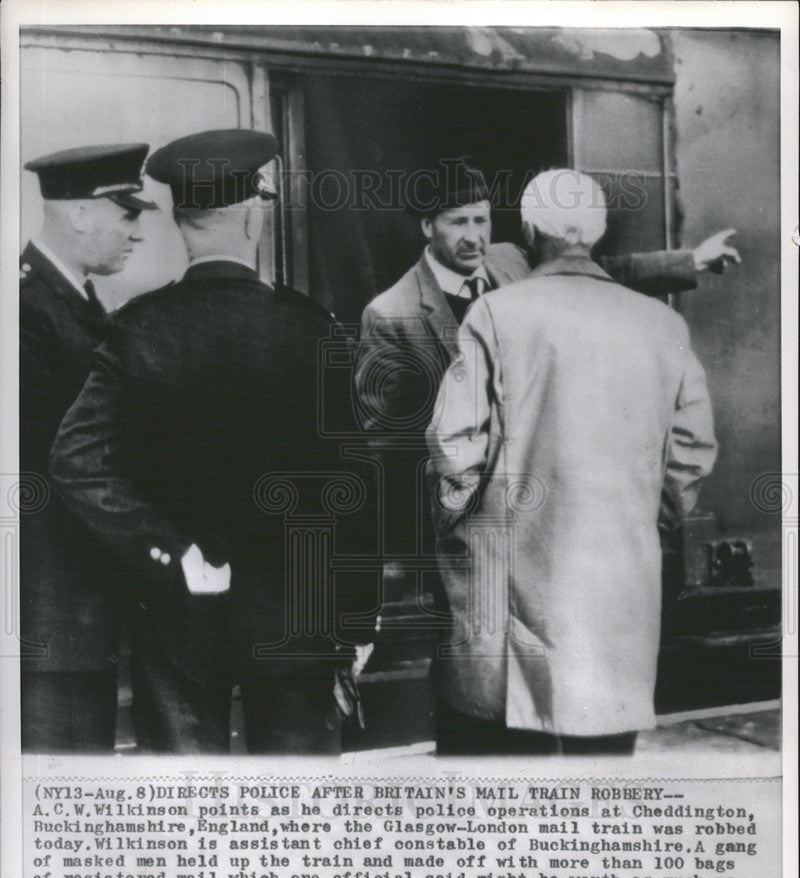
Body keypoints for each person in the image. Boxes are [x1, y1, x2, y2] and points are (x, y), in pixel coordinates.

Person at [50, 129, 377, 755]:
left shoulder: (138, 330)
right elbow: (353, 483)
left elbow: (75, 465)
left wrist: (167, 551)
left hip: (176, 625)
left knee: (188, 815)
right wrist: (359, 616)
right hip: (295, 626)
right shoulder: (312, 330)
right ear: (254, 215)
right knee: (297, 823)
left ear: (176, 219)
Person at [425, 168, 718, 755]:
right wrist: (645, 524)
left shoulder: (494, 316)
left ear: (529, 231)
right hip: (618, 597)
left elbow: (454, 448)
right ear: (601, 229)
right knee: (602, 781)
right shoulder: (664, 325)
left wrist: (462, 535)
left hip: (509, 601)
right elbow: (690, 455)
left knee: (505, 795)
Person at [355, 156, 737, 560]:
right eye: (458, 222)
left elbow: (596, 270)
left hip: (546, 525)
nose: (474, 238)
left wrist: (690, 260)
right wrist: (448, 527)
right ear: (427, 226)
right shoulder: (390, 315)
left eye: (481, 221)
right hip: (463, 537)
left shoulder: (512, 260)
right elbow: (388, 448)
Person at [20, 143, 157, 752]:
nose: (137, 234)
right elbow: (53, 460)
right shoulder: (26, 308)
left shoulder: (67, 299)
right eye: (127, 215)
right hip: (49, 606)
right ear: (79, 214)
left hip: (75, 601)